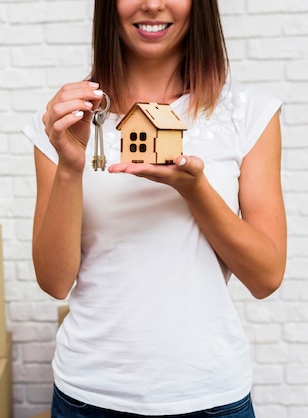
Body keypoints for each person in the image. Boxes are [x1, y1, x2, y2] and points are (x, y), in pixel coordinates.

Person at [22, 0, 287, 417]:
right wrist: (71, 167)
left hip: (209, 396)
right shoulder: (67, 119)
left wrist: (196, 191)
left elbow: (266, 277)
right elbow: (55, 282)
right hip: (89, 396)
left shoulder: (249, 114)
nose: (151, 4)